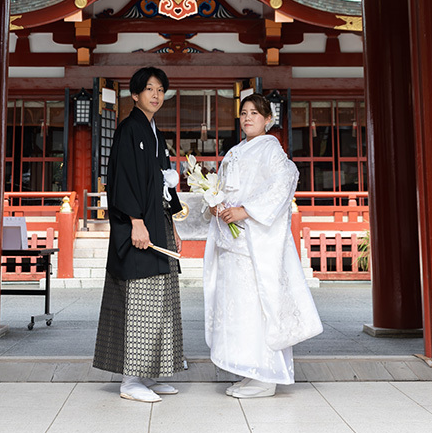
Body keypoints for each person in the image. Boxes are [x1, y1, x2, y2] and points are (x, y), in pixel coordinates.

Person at [203, 93, 322, 398]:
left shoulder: (271, 149)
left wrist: (245, 210)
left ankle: (267, 375)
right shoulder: (234, 152)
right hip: (233, 241)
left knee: (257, 307)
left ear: (268, 119)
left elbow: (285, 181)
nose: (247, 118)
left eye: (255, 113)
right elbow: (223, 189)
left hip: (254, 241)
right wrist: (215, 205)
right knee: (237, 310)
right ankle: (248, 369)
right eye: (243, 113)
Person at [93, 66, 184, 402]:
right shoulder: (130, 129)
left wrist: (171, 224)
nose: (156, 95)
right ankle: (130, 380)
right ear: (134, 95)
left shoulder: (153, 132)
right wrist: (135, 221)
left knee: (160, 300)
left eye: (160, 89)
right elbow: (124, 179)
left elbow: (160, 184)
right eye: (148, 89)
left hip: (156, 225)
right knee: (139, 301)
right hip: (139, 226)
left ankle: (150, 374)